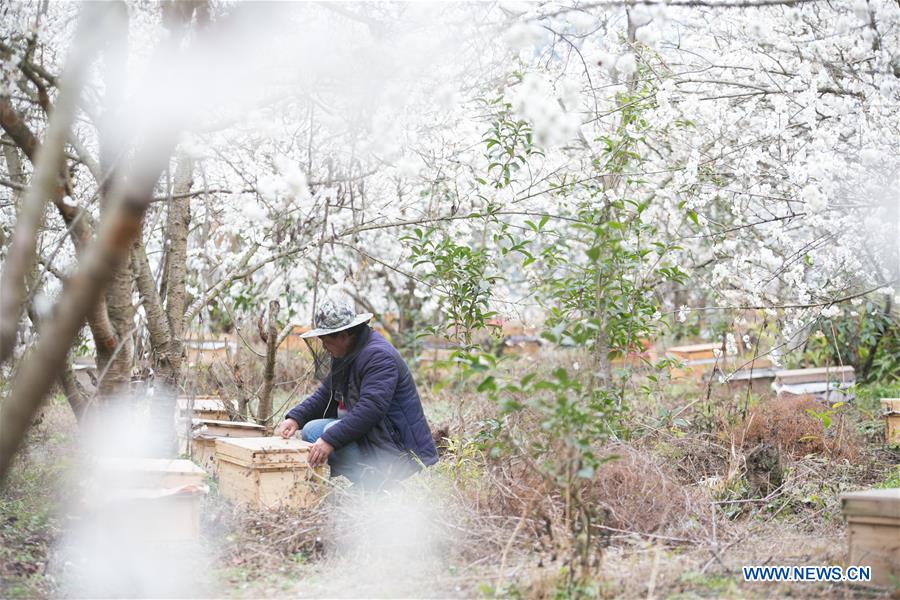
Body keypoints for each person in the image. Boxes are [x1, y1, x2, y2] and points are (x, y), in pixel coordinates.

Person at [275, 296, 438, 488]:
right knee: (312, 430)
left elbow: (371, 408)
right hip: (375, 436)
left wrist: (330, 439)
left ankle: (377, 486)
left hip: (398, 449)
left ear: (343, 335)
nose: (324, 346)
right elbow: (326, 394)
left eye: (326, 340)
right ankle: (367, 480)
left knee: (327, 433)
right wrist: (295, 418)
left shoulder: (378, 356)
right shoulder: (348, 352)